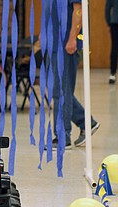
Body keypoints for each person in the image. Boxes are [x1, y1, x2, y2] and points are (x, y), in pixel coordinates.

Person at [47, 0, 100, 150]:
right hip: (57, 43)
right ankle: (86, 123)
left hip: (67, 45)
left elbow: (79, 10)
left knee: (62, 91)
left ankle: (63, 136)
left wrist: (72, 38)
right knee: (61, 90)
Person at [105, 0, 118, 84]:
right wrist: (109, 23)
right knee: (115, 48)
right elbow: (108, 7)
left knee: (115, 48)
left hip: (114, 23)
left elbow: (107, 8)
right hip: (115, 23)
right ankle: (112, 73)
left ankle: (112, 74)